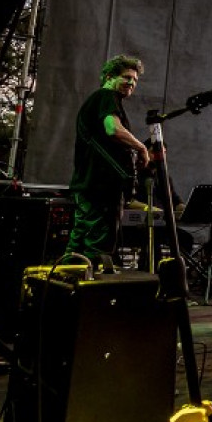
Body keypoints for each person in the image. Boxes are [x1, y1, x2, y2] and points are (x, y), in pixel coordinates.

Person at [67, 55, 151, 272]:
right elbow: (113, 129)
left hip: (88, 186)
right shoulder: (106, 96)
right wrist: (141, 148)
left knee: (78, 249)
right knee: (98, 248)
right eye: (126, 77)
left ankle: (68, 292)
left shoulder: (97, 100)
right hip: (101, 188)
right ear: (108, 76)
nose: (131, 83)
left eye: (135, 80)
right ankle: (91, 300)